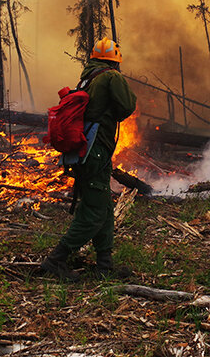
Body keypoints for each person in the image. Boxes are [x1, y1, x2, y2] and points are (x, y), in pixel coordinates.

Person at [41, 37, 137, 281]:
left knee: (103, 207)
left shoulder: (87, 78)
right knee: (94, 210)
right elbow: (127, 107)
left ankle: (104, 265)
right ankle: (56, 259)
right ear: (116, 61)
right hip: (94, 151)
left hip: (87, 151)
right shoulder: (111, 77)